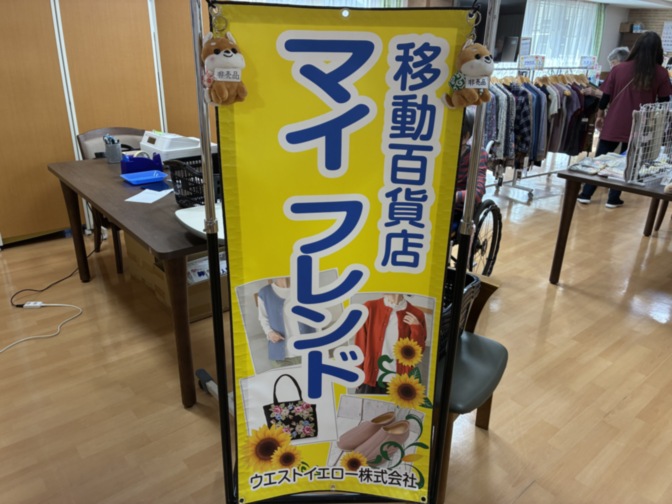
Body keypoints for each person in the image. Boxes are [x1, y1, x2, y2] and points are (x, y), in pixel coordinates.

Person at [578, 32, 672, 208]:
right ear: (657, 50)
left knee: (600, 159)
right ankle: (613, 198)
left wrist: (600, 116)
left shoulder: (619, 69)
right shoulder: (661, 73)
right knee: (628, 162)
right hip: (641, 125)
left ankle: (586, 194)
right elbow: (664, 102)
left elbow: (606, 96)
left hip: (615, 120)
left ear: (636, 47)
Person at [354, 294, 427, 394]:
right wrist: (357, 373)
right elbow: (360, 343)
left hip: (400, 383)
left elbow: (417, 353)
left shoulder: (416, 314)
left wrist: (416, 328)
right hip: (370, 378)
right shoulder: (369, 307)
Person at [257, 277, 315, 368]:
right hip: (281, 357)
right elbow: (263, 318)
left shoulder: (304, 287)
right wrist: (270, 332)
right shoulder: (264, 293)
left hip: (308, 351)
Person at [452, 106, 488, 232]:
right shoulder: (442, 152)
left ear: (466, 136)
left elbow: (477, 193)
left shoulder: (478, 154)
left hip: (459, 211)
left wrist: (455, 196)